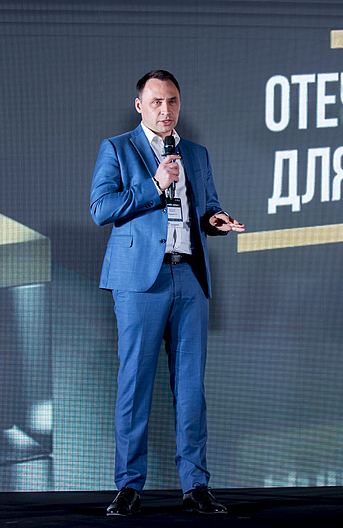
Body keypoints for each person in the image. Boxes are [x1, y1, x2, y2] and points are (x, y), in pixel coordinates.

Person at [90, 69, 244, 516]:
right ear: (140, 105)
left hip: (189, 277)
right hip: (140, 281)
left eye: (172, 101)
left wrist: (216, 220)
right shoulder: (117, 148)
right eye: (156, 102)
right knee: (135, 383)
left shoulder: (195, 153)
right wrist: (154, 184)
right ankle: (128, 485)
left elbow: (207, 206)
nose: (166, 110)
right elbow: (101, 208)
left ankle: (196, 485)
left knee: (191, 386)